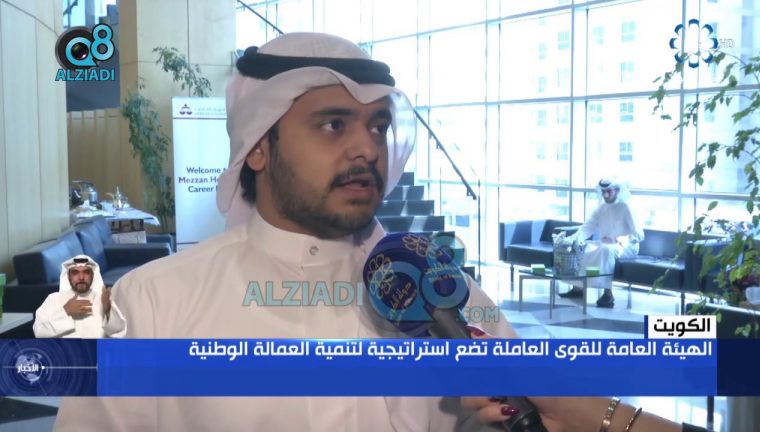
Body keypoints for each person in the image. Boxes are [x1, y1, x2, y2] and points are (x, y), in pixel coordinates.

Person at [55, 33, 698, 432]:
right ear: (258, 147)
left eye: (378, 127)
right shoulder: (151, 306)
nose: (367, 148)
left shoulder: (444, 290)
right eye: (334, 125)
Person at [559, 177, 644, 308]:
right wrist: (572, 239)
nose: (605, 195)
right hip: (606, 244)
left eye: (609, 191)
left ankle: (608, 294)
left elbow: (638, 235)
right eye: (603, 191)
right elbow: (587, 228)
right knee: (583, 247)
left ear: (617, 191)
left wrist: (618, 239)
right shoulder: (601, 208)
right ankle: (578, 288)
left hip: (627, 246)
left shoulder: (626, 207)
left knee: (606, 250)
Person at [33, 254, 126, 338]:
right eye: (75, 272)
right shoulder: (53, 299)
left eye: (86, 272)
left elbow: (120, 332)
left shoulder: (103, 299)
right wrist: (65, 311)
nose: (81, 277)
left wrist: (108, 312)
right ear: (68, 276)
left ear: (92, 276)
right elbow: (39, 332)